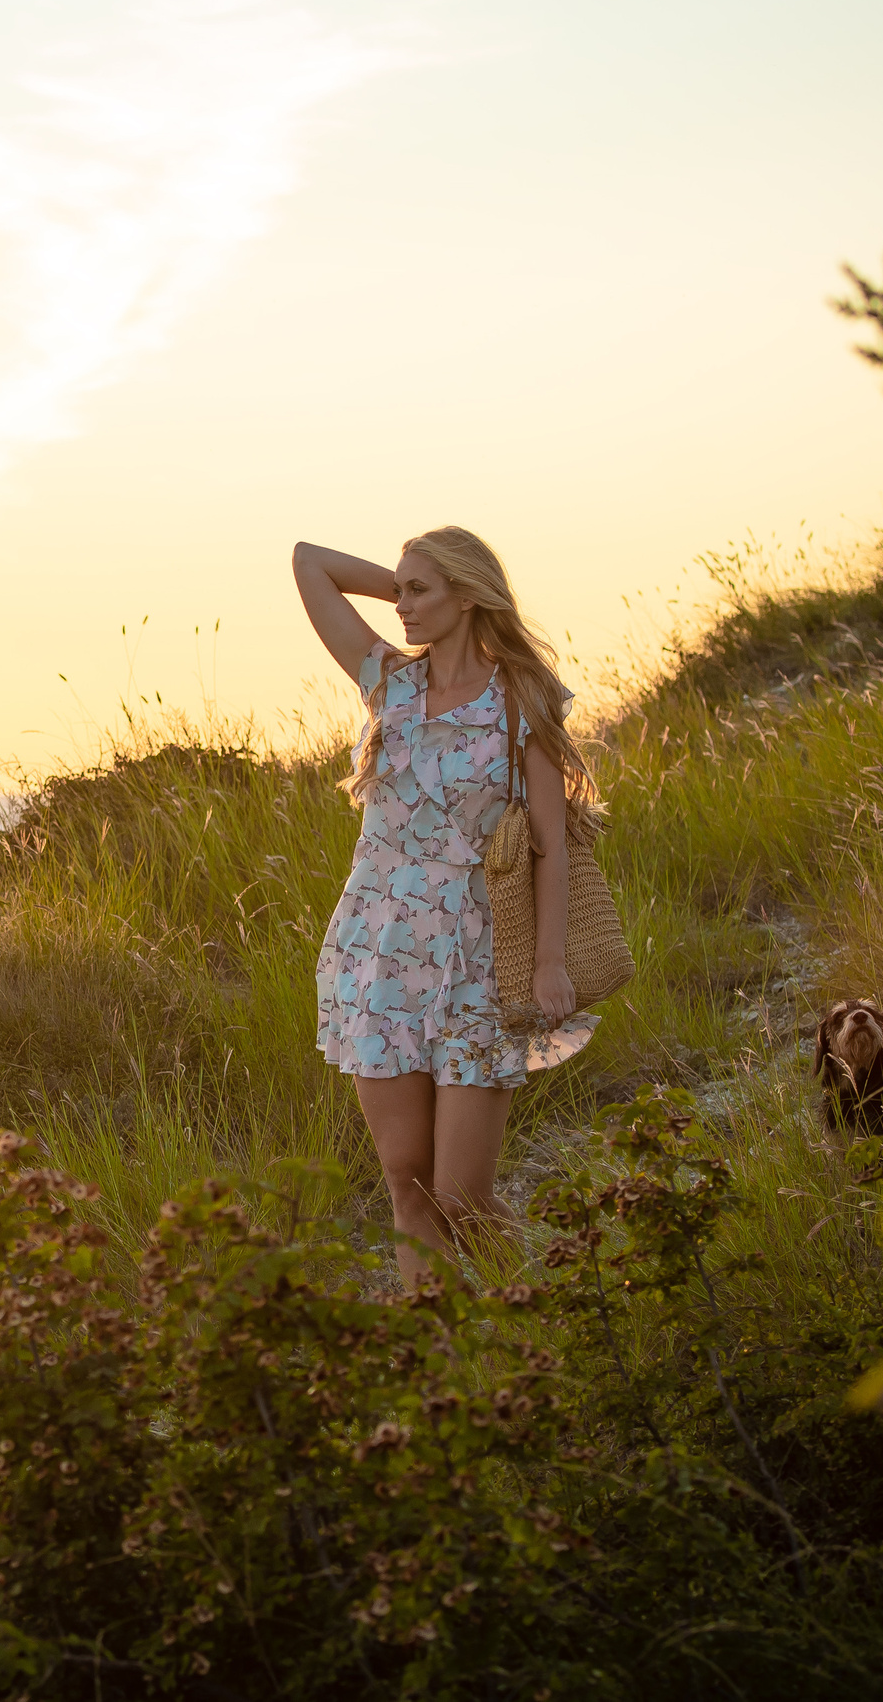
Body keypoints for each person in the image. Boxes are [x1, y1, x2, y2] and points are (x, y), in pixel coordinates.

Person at [292, 527, 598, 1282]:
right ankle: (436, 1341)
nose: (401, 605)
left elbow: (551, 845)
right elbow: (309, 561)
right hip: (380, 952)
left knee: (462, 1196)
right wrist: (407, 584)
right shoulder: (388, 682)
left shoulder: (520, 699)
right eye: (397, 590)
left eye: (419, 590)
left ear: (467, 595)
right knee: (408, 1182)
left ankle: (540, 1317)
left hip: (477, 958)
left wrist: (550, 962)